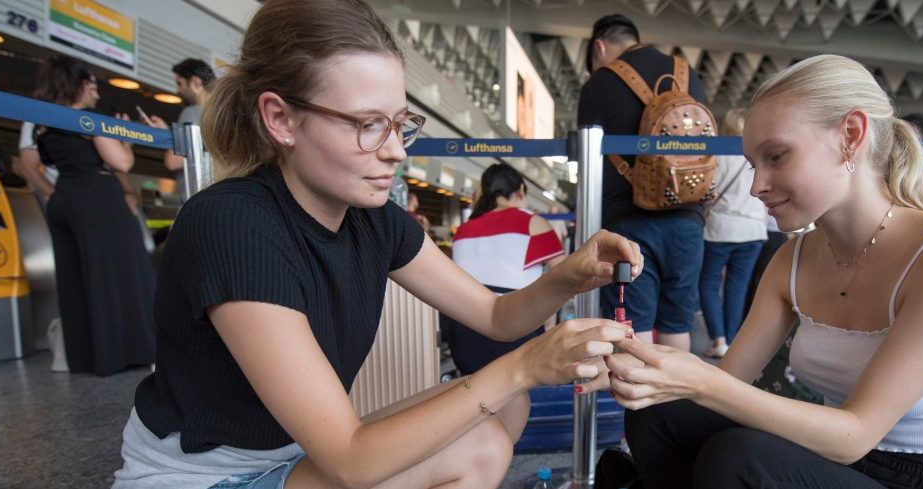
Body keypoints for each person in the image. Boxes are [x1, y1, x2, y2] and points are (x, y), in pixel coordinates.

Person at [112, 1, 641, 488]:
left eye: (399, 124)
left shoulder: (374, 220)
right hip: (205, 477)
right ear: (280, 119)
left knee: (507, 406)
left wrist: (571, 273)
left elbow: (497, 315)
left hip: (293, 453)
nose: (395, 152)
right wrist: (524, 365)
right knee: (479, 438)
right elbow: (349, 457)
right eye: (368, 125)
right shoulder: (232, 223)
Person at [606, 54, 923, 489]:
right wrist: (646, 371)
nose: (757, 185)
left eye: (776, 156)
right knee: (661, 415)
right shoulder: (792, 259)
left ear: (851, 136)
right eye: (754, 165)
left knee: (741, 458)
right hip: (829, 461)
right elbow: (725, 385)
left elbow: (856, 434)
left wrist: (698, 379)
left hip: (921, 475)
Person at [578, 14, 708, 351]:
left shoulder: (599, 83)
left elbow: (586, 159)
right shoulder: (686, 74)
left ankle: (640, 404)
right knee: (677, 322)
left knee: (631, 324)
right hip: (687, 216)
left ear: (600, 47)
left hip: (628, 223)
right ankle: (674, 402)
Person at [31, 55, 156, 377]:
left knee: (77, 280)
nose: (96, 93)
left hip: (63, 199)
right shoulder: (88, 119)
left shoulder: (44, 121)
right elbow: (121, 163)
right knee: (119, 274)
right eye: (91, 85)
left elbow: (41, 162)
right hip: (97, 198)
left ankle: (88, 357)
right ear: (78, 86)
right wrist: (125, 141)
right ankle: (126, 353)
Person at [445, 163, 566, 374]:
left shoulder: (463, 230)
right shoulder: (532, 223)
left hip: (464, 338)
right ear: (520, 190)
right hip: (515, 336)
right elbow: (565, 277)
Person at [698, 108, 769, 358]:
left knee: (708, 283)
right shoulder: (762, 156)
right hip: (752, 231)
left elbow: (710, 191)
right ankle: (730, 342)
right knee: (737, 287)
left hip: (720, 229)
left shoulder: (719, 155)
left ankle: (718, 340)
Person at [145, 58, 216, 203]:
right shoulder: (223, 118)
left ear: (196, 82)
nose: (178, 90)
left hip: (194, 200)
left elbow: (173, 161)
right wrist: (170, 134)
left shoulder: (192, 112)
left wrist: (172, 141)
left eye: (180, 83)